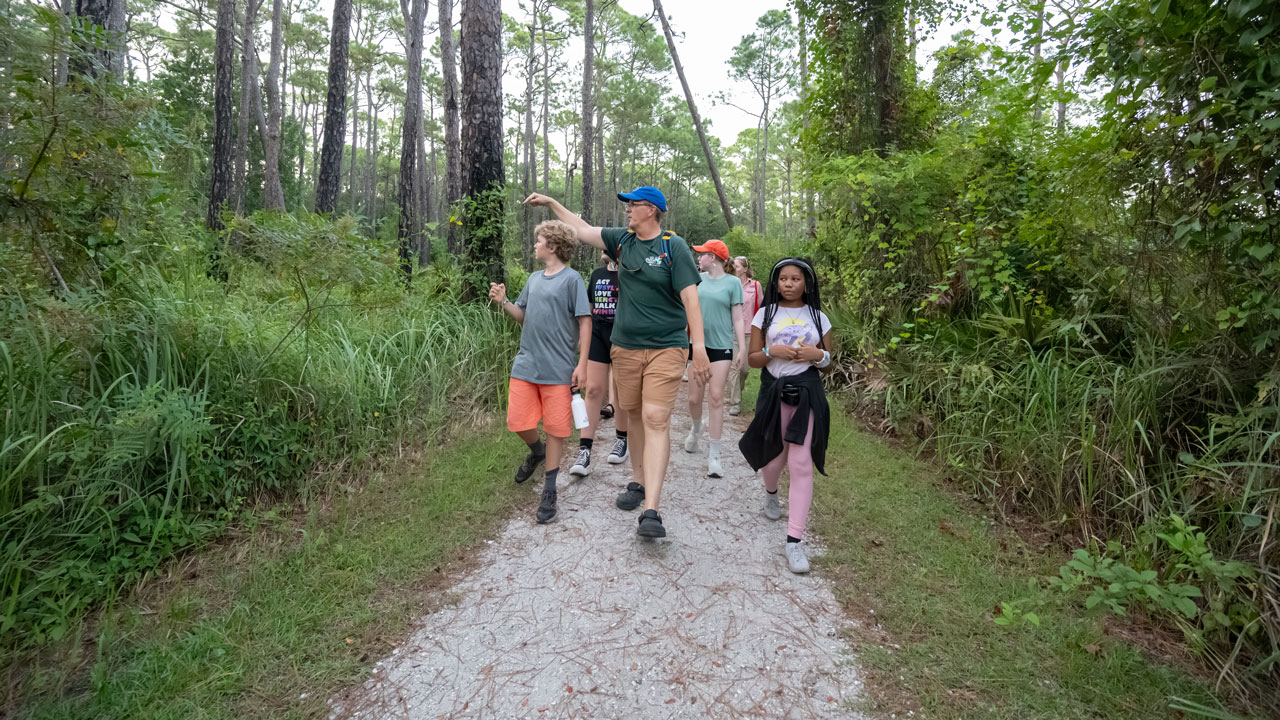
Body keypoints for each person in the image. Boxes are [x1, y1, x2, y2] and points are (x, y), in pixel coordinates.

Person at [523, 186, 712, 539]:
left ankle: (652, 510)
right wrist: (551, 203)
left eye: (633, 204)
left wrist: (698, 346)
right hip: (623, 347)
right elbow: (580, 229)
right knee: (636, 413)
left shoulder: (674, 246)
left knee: (656, 418)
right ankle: (638, 481)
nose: (627, 209)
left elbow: (691, 300)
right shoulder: (622, 240)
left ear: (652, 210)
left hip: (665, 347)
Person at [488, 220, 592, 525]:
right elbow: (523, 316)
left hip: (559, 369)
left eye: (539, 240)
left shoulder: (572, 280)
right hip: (526, 364)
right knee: (517, 420)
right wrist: (504, 301)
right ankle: (536, 451)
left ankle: (549, 491)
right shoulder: (533, 279)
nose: (535, 244)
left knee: (558, 429)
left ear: (554, 245)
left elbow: (585, 322)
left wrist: (582, 364)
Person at [738, 257, 833, 574]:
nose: (789, 284)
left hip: (806, 393)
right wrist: (771, 352)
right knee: (774, 458)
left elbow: (828, 360)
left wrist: (817, 355)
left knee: (800, 461)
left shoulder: (819, 318)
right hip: (773, 392)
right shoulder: (765, 316)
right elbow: (753, 360)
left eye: (795, 279)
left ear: (807, 282)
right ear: (775, 282)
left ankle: (794, 542)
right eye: (783, 279)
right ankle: (771, 493)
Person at [683, 239, 744, 479]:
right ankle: (697, 427)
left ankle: (714, 455)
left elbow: (738, 317)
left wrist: (740, 348)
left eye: (703, 254)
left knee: (716, 396)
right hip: (696, 346)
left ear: (715, 258)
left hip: (721, 347)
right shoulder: (696, 281)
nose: (699, 258)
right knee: (693, 397)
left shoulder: (733, 283)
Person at [569, 252, 631, 477]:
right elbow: (590, 309)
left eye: (608, 245)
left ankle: (621, 441)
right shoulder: (596, 275)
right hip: (598, 335)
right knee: (593, 390)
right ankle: (584, 452)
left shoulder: (630, 274)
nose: (602, 248)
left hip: (623, 336)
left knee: (623, 392)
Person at [726, 256, 763, 416]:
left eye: (737, 265)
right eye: (733, 265)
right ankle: (735, 402)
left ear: (745, 269)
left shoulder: (755, 286)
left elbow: (761, 308)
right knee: (734, 366)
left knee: (745, 369)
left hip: (749, 331)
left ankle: (736, 391)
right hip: (731, 331)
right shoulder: (729, 283)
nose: (734, 267)